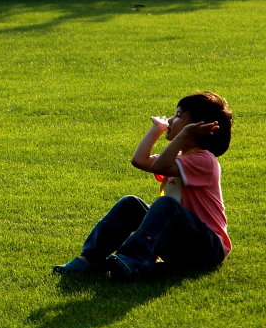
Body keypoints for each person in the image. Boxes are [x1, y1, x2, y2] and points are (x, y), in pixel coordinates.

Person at [53, 91, 233, 281]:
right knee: (131, 204)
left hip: (207, 249)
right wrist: (157, 129)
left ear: (197, 127)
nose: (171, 120)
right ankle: (89, 259)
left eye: (179, 115)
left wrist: (183, 135)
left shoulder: (204, 160)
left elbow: (159, 165)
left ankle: (133, 261)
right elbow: (139, 160)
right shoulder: (180, 158)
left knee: (166, 205)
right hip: (182, 242)